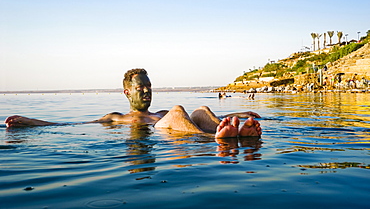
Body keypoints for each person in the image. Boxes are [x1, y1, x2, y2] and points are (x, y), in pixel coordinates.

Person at [5, 68, 261, 138]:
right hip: (170, 134)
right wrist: (29, 122)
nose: (147, 92)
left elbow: (198, 114)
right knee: (178, 112)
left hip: (182, 131)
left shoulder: (161, 112)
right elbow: (69, 124)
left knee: (200, 110)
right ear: (127, 93)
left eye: (149, 87)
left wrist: (241, 111)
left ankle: (231, 131)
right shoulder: (116, 118)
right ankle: (223, 138)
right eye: (141, 88)